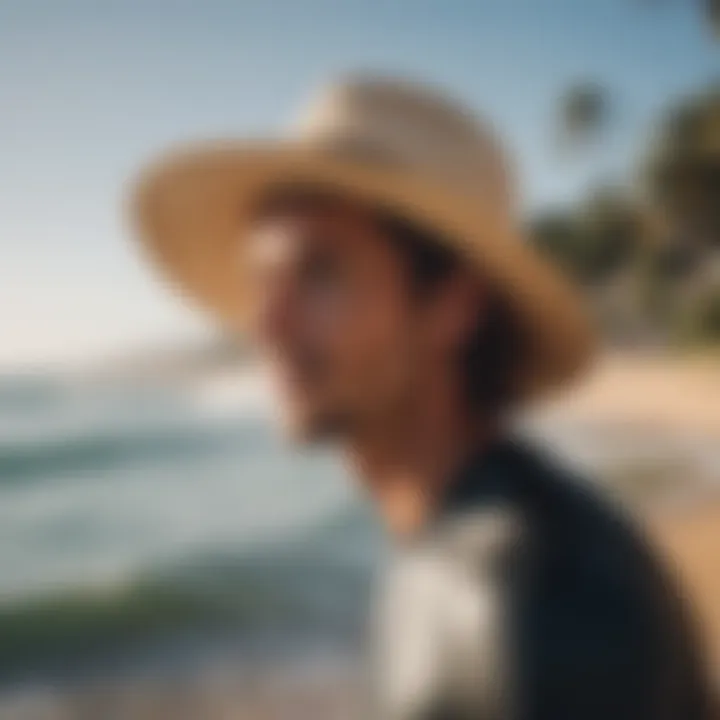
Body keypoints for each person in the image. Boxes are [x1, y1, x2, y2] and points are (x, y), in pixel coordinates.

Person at [132, 76, 713, 719]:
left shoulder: (532, 617)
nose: (266, 324)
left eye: (320, 272)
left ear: (454, 307)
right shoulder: (470, 538)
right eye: (263, 279)